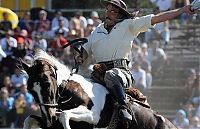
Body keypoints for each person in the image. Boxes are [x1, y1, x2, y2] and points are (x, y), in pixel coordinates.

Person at [74, 0, 196, 127]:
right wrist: (79, 56)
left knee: (111, 75)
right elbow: (84, 51)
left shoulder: (129, 24)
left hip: (120, 72)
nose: (108, 13)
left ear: (120, 14)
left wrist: (182, 10)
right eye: (107, 10)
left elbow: (157, 18)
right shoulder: (96, 31)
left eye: (113, 11)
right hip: (98, 74)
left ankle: (124, 107)